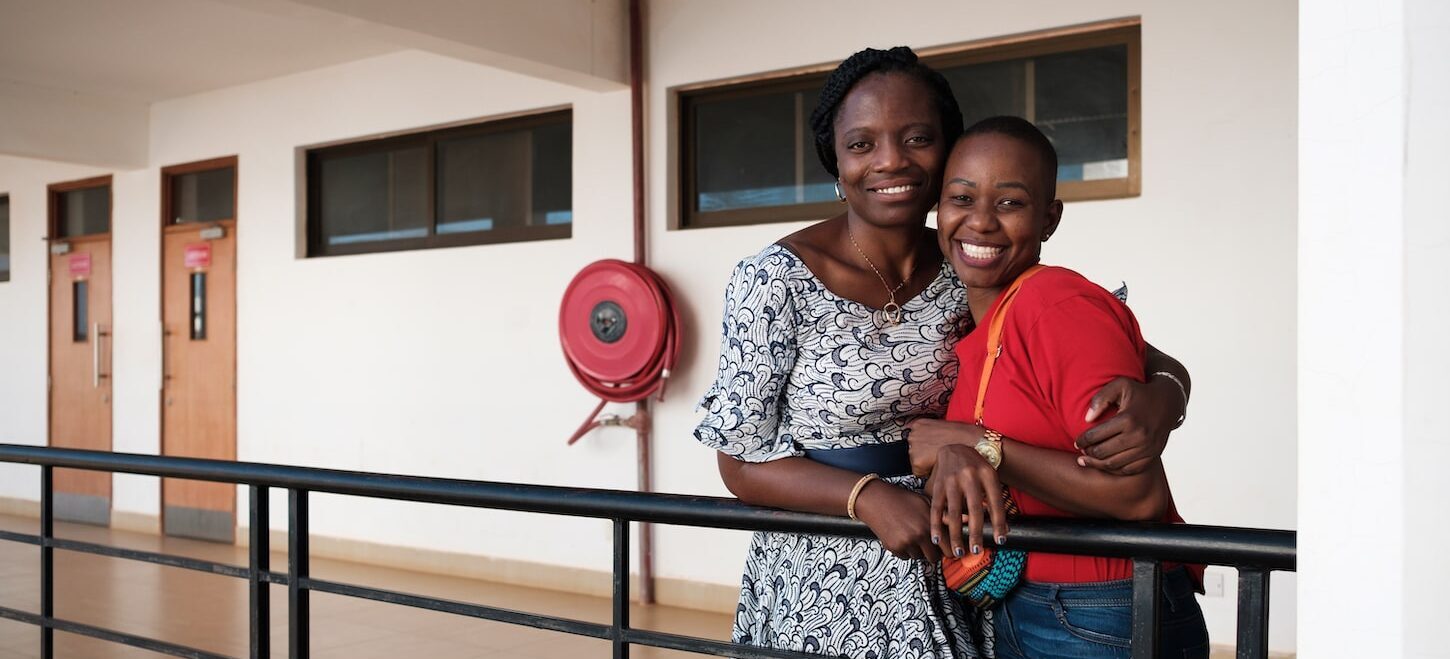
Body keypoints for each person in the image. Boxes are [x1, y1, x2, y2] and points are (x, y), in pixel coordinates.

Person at [694, 46, 1191, 658]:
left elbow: (1133, 351)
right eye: (861, 144)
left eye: (917, 137)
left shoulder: (974, 258)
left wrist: (1165, 396)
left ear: (947, 150)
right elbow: (738, 462)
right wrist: (868, 497)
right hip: (826, 572)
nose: (891, 161)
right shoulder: (774, 279)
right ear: (835, 160)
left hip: (970, 572)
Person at [907, 116, 1209, 658]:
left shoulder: (1054, 304)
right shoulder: (990, 315)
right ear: (939, 210)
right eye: (962, 198)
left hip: (1102, 608)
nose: (980, 222)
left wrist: (979, 446)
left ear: (1049, 219)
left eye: (1010, 203)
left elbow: (1136, 496)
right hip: (1042, 603)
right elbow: (1160, 364)